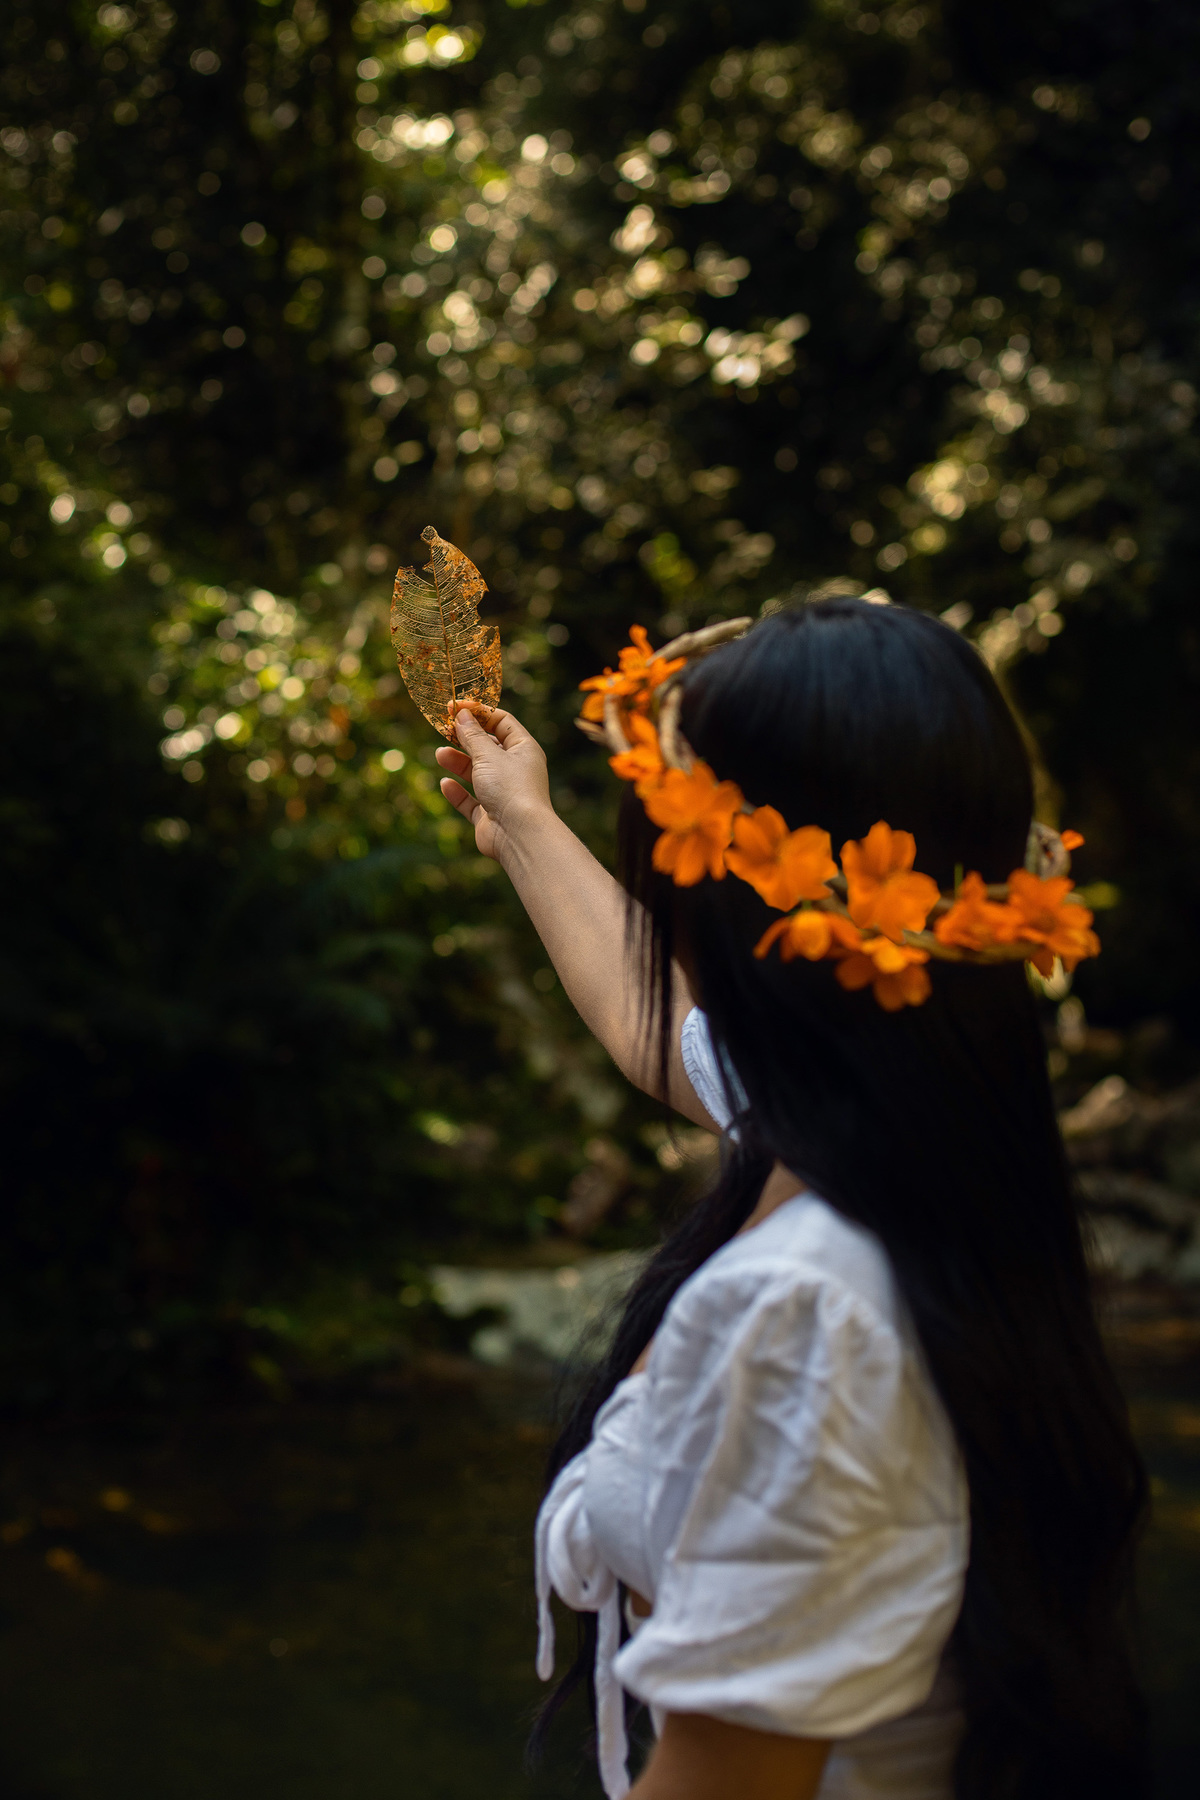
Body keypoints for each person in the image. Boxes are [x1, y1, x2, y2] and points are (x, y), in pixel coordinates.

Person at [435, 597, 1148, 1800]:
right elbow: (658, 1024)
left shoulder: (804, 1309)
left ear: (722, 897)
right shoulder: (918, 1145)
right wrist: (524, 822)